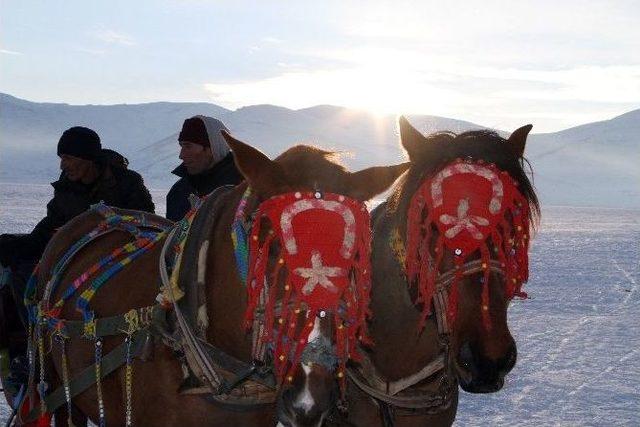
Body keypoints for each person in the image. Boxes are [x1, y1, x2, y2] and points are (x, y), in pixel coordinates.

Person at [0, 126, 155, 402]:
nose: (63, 165)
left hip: (117, 263)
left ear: (88, 158)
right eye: (61, 158)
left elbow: (146, 225)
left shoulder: (127, 183)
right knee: (18, 272)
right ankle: (31, 344)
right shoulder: (66, 189)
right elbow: (46, 231)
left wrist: (93, 233)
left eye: (68, 158)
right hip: (70, 259)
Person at [166, 116, 243, 221]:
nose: (181, 155)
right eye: (181, 146)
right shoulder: (178, 192)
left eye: (188, 146)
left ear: (211, 148)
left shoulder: (243, 187)